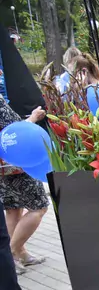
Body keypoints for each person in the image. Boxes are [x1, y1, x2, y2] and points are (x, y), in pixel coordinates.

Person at [0, 77, 48, 272]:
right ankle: (10, 254)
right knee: (39, 207)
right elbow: (11, 133)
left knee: (13, 208)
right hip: (16, 163)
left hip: (5, 166)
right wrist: (32, 118)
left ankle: (21, 254)